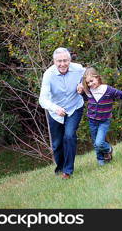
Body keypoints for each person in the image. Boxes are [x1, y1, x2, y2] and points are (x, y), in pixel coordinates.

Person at [39, 47, 85, 179]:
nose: (62, 64)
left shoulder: (78, 68)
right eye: (59, 61)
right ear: (54, 61)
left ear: (70, 60)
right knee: (57, 144)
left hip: (74, 107)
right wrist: (55, 108)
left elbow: (89, 76)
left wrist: (82, 85)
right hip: (55, 112)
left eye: (65, 60)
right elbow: (42, 99)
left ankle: (68, 170)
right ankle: (60, 167)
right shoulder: (48, 74)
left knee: (69, 136)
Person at [78, 67, 122, 166]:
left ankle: (108, 149)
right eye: (88, 83)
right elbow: (86, 99)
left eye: (92, 81)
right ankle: (101, 161)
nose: (90, 84)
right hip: (92, 120)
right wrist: (81, 92)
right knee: (95, 143)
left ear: (98, 78)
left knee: (99, 143)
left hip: (104, 121)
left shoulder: (108, 90)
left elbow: (121, 95)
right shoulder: (89, 91)